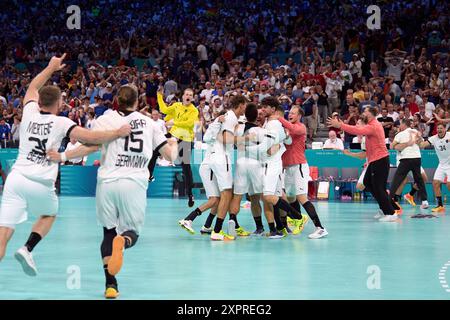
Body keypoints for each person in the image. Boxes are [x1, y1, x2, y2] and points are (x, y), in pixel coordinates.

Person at [0, 54, 131, 277]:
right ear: (59, 103)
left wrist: (51, 68)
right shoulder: (62, 122)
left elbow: (33, 86)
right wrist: (117, 133)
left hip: (15, 179)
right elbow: (91, 137)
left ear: (39, 102)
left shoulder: (29, 112)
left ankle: (20, 248)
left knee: (3, 234)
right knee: (49, 215)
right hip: (40, 182)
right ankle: (27, 247)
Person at [48, 84, 178, 299]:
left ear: (117, 100)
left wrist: (62, 157)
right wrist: (172, 142)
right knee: (131, 233)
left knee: (108, 232)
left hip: (107, 182)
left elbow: (89, 145)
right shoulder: (150, 123)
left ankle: (111, 284)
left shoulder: (104, 120)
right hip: (134, 182)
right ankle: (123, 241)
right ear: (138, 101)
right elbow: (171, 156)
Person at [328, 106, 398, 222]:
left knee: (379, 188)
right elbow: (358, 128)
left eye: (365, 111)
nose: (363, 113)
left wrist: (340, 125)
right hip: (374, 160)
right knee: (367, 183)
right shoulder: (371, 124)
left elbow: (358, 131)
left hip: (380, 160)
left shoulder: (374, 125)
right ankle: (384, 207)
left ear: (370, 114)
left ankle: (390, 213)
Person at [277, 106, 327, 239]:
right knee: (289, 197)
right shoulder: (286, 129)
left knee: (301, 197)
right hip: (287, 168)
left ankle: (320, 228)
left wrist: (278, 117)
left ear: (299, 116)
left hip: (299, 166)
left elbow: (293, 129)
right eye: (290, 113)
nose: (290, 115)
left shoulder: (300, 127)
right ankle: (295, 221)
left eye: (293, 113)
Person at [177, 113, 226, 234]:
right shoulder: (214, 132)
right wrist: (216, 121)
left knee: (218, 199)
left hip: (212, 168)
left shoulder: (222, 133)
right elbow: (203, 137)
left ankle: (207, 226)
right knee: (214, 199)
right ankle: (188, 219)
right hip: (208, 168)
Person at [156, 88, 198, 207]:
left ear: (192, 98)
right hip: (173, 136)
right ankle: (150, 169)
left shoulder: (194, 110)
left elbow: (189, 124)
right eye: (186, 94)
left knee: (186, 167)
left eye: (190, 95)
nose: (188, 96)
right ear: (183, 96)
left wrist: (173, 123)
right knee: (157, 142)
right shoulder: (176, 106)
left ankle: (190, 194)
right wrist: (159, 96)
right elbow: (163, 109)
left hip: (186, 139)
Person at [389, 119, 429, 211]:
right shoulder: (415, 132)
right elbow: (420, 144)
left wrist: (399, 145)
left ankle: (390, 199)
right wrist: (416, 138)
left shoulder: (400, 134)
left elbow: (391, 146)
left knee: (397, 180)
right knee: (419, 179)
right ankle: (424, 201)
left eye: (400, 124)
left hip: (406, 159)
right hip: (416, 158)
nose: (399, 126)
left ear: (403, 124)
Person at [418, 123, 450, 213]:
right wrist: (418, 138)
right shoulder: (434, 138)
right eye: (438, 128)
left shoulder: (449, 135)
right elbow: (422, 145)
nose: (439, 130)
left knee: (448, 184)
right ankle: (440, 205)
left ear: (445, 129)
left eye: (441, 128)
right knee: (435, 183)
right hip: (442, 164)